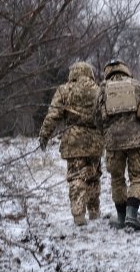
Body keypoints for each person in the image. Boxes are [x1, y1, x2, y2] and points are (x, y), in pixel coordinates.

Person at [39, 61, 104, 226]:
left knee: (76, 176)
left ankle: (78, 214)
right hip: (95, 140)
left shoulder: (64, 90)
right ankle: (94, 211)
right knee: (93, 175)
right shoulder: (99, 90)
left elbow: (53, 115)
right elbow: (106, 115)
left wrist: (44, 135)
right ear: (89, 73)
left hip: (73, 141)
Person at [93, 59, 140, 230]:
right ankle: (131, 215)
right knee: (138, 177)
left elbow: (96, 119)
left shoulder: (102, 90)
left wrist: (107, 133)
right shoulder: (137, 86)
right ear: (126, 70)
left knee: (117, 178)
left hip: (113, 143)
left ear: (107, 72)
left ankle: (121, 218)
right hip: (137, 141)